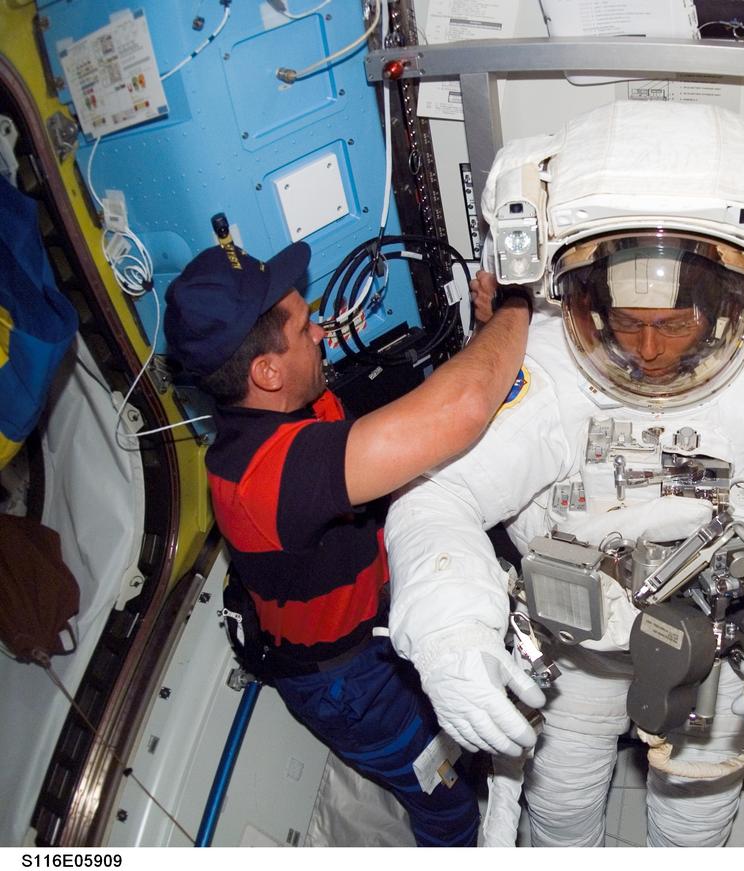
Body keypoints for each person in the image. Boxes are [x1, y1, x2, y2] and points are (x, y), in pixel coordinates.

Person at [384, 101, 744, 847]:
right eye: (625, 322)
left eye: (673, 324)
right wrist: (451, 625)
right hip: (574, 645)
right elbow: (435, 493)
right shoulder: (546, 366)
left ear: (723, 305)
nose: (647, 350)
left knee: (692, 826)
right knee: (559, 813)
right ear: (583, 299)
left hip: (717, 650)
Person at [162, 239, 532, 846]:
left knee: (449, 737)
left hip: (370, 626)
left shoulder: (290, 408)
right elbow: (460, 410)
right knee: (443, 798)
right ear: (267, 371)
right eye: (306, 328)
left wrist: (485, 332)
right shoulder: (265, 480)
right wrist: (518, 308)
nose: (324, 336)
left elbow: (428, 406)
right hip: (348, 683)